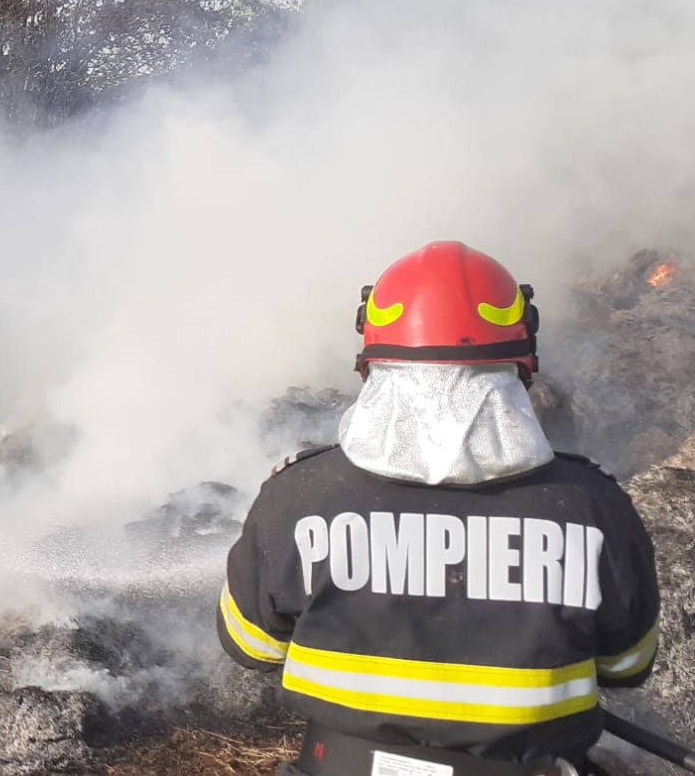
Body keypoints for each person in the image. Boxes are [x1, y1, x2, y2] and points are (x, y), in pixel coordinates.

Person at [219, 240, 660, 776]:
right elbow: (627, 664)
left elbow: (250, 644)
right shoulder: (594, 507)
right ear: (522, 357)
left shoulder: (298, 495)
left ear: (371, 355)